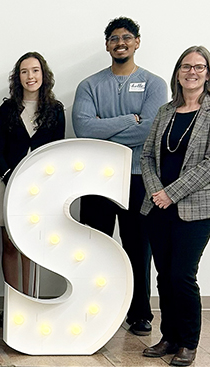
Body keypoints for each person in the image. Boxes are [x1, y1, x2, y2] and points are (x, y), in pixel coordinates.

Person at [72, 16, 167, 336]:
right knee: (94, 245)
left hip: (139, 177)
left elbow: (151, 129)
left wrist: (106, 130)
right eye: (114, 38)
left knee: (137, 246)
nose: (120, 42)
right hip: (96, 179)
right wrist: (130, 119)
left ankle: (139, 312)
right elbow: (85, 129)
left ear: (137, 42)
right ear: (107, 45)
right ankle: (89, 305)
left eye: (126, 37)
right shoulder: (89, 85)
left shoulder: (155, 84)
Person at [139, 46, 210, 367]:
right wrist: (156, 192)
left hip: (197, 208)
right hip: (158, 207)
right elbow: (147, 156)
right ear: (178, 72)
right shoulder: (165, 111)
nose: (192, 72)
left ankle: (189, 342)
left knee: (182, 275)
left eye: (199, 67)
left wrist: (171, 193)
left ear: (208, 73)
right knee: (164, 275)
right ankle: (170, 337)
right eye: (186, 66)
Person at [0, 52, 66, 324]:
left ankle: (30, 302)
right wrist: (10, 175)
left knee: (31, 246)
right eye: (24, 71)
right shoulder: (7, 109)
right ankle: (14, 304)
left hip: (40, 189)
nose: (30, 76)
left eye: (35, 70)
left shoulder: (55, 110)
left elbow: (56, 152)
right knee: (10, 245)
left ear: (43, 75)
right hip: (10, 183)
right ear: (18, 77)